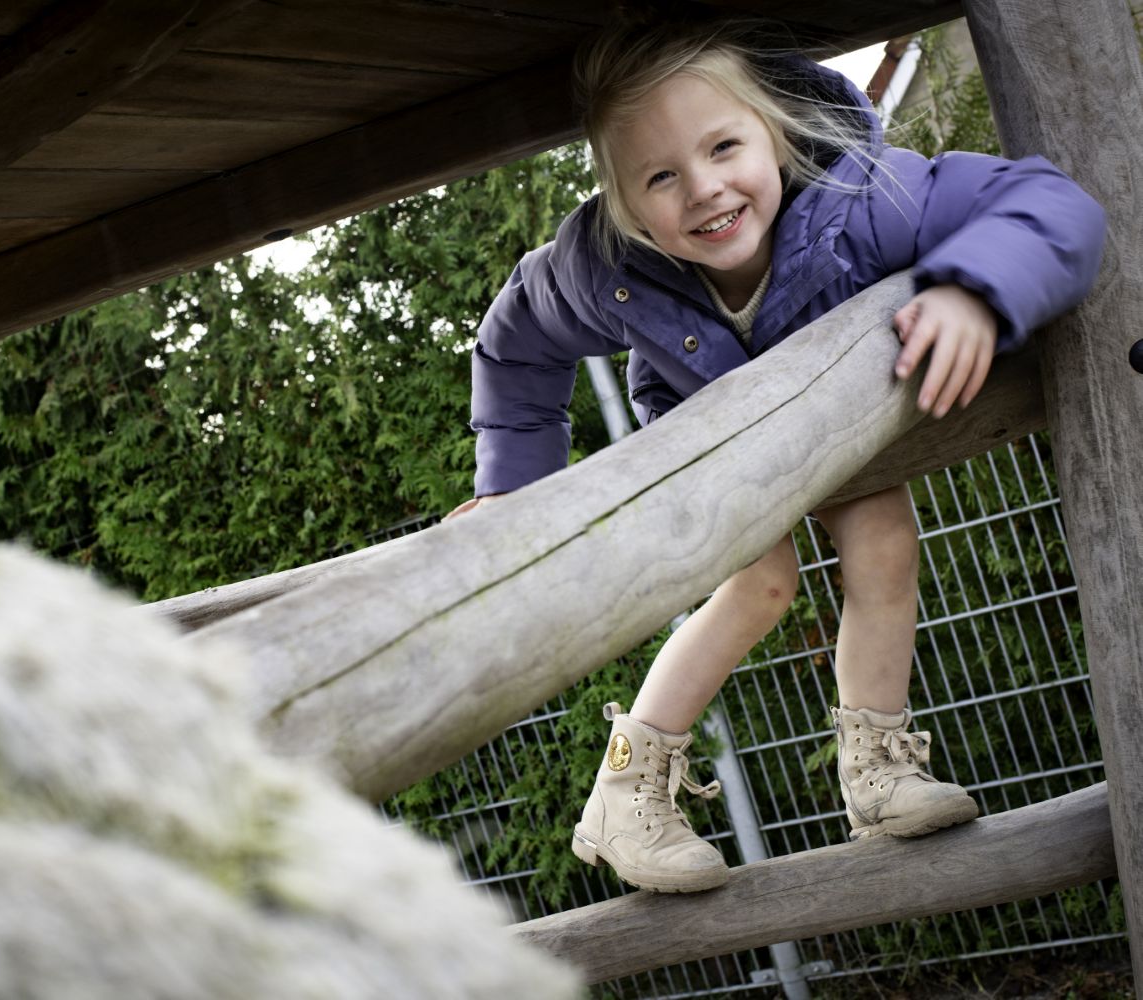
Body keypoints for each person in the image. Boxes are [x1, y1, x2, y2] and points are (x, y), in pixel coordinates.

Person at [448, 17, 1105, 893]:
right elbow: (515, 341)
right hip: (706, 430)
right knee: (758, 585)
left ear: (778, 132)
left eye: (725, 147)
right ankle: (625, 793)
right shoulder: (605, 263)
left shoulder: (864, 202)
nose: (705, 190)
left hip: (839, 431)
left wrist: (975, 291)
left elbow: (1051, 203)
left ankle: (876, 772)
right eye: (661, 177)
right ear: (626, 202)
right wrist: (514, 490)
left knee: (884, 546)